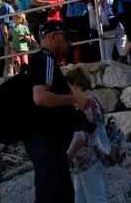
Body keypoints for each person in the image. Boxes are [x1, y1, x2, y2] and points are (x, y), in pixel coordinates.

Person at [27, 20, 88, 203]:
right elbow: (40, 97)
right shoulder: (46, 58)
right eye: (66, 37)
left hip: (47, 144)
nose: (69, 43)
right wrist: (73, 99)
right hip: (48, 142)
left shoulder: (43, 61)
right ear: (53, 37)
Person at [64, 68, 107, 203]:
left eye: (69, 86)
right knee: (82, 198)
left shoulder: (87, 102)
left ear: (76, 84)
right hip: (91, 157)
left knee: (95, 198)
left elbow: (82, 134)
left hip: (88, 158)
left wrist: (69, 155)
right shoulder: (95, 99)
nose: (68, 91)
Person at [64, 0, 95, 64]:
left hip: (82, 15)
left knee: (83, 41)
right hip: (70, 17)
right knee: (72, 42)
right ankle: (74, 63)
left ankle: (84, 62)